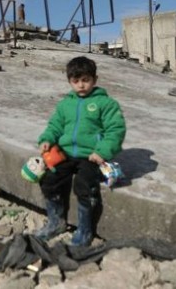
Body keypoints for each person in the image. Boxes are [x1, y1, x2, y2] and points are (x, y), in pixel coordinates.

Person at [34, 56, 126, 247]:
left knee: (84, 185)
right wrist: (46, 139)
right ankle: (56, 222)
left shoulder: (106, 104)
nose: (81, 85)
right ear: (70, 82)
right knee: (49, 178)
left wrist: (102, 151)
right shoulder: (65, 104)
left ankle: (85, 229)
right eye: (76, 81)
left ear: (95, 79)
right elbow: (55, 126)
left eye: (85, 80)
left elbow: (115, 131)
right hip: (66, 153)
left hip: (91, 156)